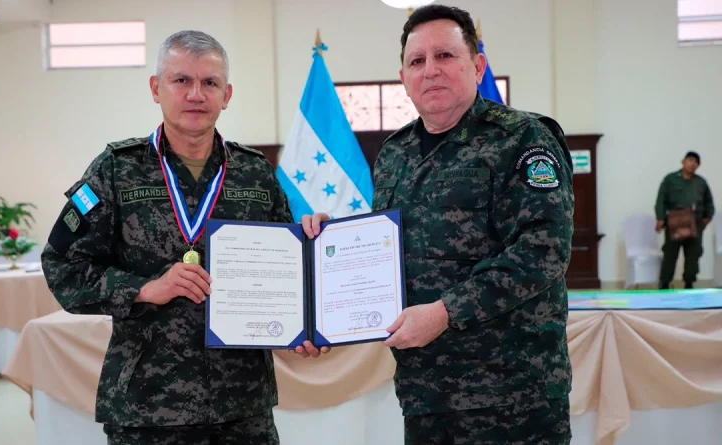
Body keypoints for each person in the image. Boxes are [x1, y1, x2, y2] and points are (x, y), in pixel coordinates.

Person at [303, 5, 574, 444]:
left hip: (514, 397)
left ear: (477, 65)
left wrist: (445, 314)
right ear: (404, 76)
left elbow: (542, 252)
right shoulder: (395, 154)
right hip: (427, 396)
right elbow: (385, 250)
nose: (431, 70)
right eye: (417, 61)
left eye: (445, 56)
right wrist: (331, 243)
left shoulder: (523, 138)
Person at [41, 30, 322, 445]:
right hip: (148, 406)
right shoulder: (116, 170)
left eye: (210, 83)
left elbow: (288, 269)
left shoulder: (256, 172)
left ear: (226, 95)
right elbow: (62, 266)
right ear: (157, 88)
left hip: (242, 405)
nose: (196, 94)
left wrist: (308, 318)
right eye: (181, 81)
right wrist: (145, 288)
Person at [655, 151, 715, 289]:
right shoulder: (670, 179)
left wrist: (706, 219)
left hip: (694, 224)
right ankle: (665, 283)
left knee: (693, 256)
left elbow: (709, 203)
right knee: (670, 255)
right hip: (674, 223)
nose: (692, 163)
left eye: (696, 162)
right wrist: (660, 218)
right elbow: (661, 200)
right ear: (683, 161)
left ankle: (689, 283)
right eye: (690, 160)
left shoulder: (701, 182)